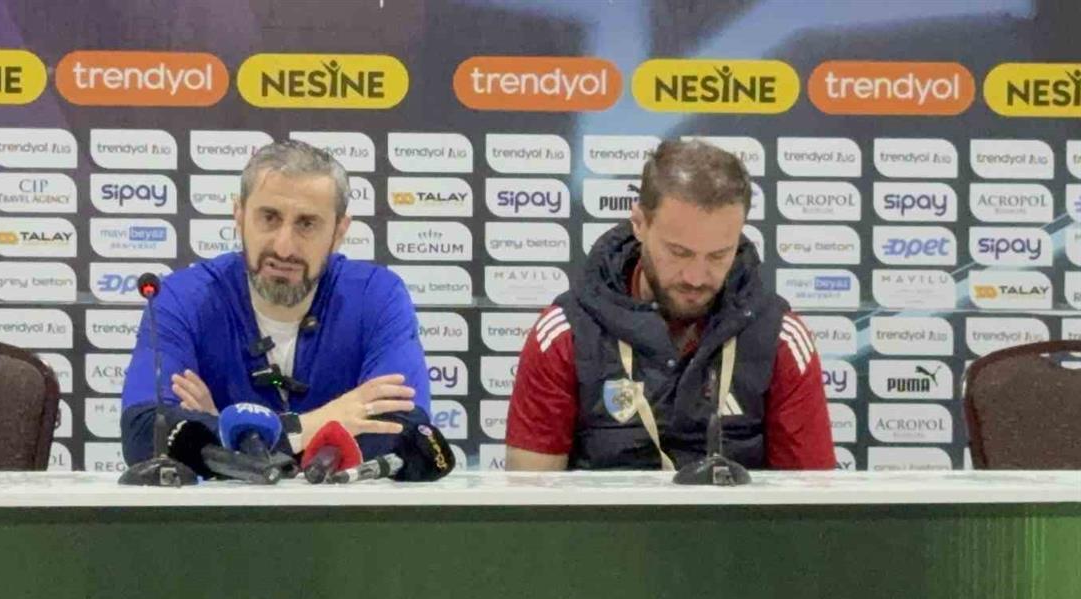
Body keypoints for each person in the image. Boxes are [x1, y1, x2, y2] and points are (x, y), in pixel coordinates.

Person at [505, 139, 835, 471]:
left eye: (719, 255)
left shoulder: (780, 337)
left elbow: (813, 496)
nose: (696, 277)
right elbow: (531, 495)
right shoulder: (565, 335)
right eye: (679, 252)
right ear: (639, 223)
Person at [120, 140, 430, 464]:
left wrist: (222, 433)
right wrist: (310, 426)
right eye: (269, 218)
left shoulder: (377, 296)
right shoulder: (181, 298)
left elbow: (405, 432)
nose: (284, 248)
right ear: (239, 215)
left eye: (307, 224)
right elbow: (146, 436)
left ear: (339, 231)